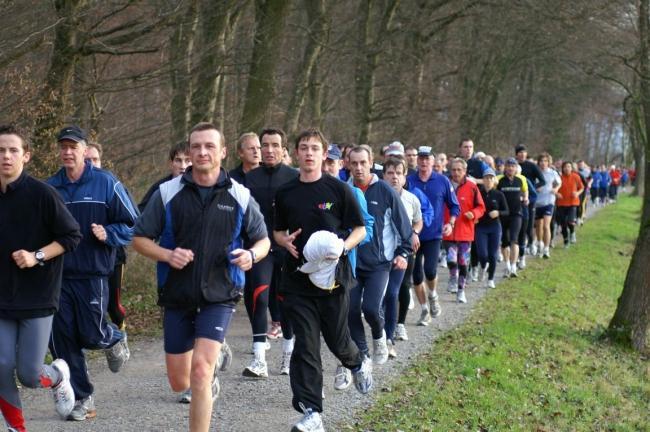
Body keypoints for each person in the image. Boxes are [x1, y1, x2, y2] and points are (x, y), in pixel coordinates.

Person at [133, 122, 270, 432]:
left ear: (222, 152)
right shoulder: (168, 192)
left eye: (209, 146)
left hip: (220, 294)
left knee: (199, 374)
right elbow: (140, 239)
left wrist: (251, 255)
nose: (202, 152)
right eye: (196, 146)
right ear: (189, 152)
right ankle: (210, 367)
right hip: (177, 293)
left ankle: (207, 373)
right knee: (179, 381)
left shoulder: (239, 194)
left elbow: (263, 240)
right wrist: (168, 255)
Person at [273, 128, 372, 432]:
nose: (309, 153)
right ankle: (312, 412)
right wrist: (284, 240)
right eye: (303, 147)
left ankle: (356, 362)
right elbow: (276, 231)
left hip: (333, 281)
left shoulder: (339, 190)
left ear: (324, 153)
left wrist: (344, 246)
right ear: (296, 153)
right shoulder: (285, 192)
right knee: (305, 345)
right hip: (297, 281)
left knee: (337, 340)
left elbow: (360, 229)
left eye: (315, 148)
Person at [47, 125, 138, 421]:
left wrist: (109, 233)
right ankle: (83, 398)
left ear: (86, 151)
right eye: (63, 146)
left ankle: (112, 338)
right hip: (58, 276)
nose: (68, 151)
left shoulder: (106, 183)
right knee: (63, 340)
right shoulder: (50, 188)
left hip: (93, 274)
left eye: (74, 146)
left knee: (91, 333)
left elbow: (134, 223)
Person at [0, 125, 82, 431]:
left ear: (26, 156)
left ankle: (58, 376)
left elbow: (72, 236)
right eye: (0, 150)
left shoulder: (43, 194)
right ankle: (16, 427)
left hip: (37, 295)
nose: (6, 156)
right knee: (1, 366)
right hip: (2, 296)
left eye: (12, 150)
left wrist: (36, 256)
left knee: (30, 375)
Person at [347, 146, 412, 364]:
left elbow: (404, 227)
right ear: (348, 164)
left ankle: (379, 336)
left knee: (372, 308)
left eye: (362, 163)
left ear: (371, 162)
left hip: (379, 264)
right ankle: (362, 352)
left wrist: (403, 252)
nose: (358, 168)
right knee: (351, 309)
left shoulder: (385, 191)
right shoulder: (342, 190)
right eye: (354, 163)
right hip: (351, 263)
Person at [242, 127, 299, 378]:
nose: (269, 150)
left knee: (286, 302)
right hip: (260, 246)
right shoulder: (250, 178)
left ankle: (287, 355)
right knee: (260, 298)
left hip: (288, 248)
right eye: (265, 145)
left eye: (275, 145)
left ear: (284, 149)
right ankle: (259, 359)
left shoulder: (293, 176)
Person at [382, 158, 433, 349]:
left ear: (404, 177)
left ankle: (398, 325)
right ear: (384, 175)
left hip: (404, 250)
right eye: (390, 173)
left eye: (398, 173)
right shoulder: (377, 196)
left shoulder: (412, 198)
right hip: (381, 251)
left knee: (401, 287)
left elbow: (418, 221)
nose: (394, 177)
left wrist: (415, 233)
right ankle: (384, 327)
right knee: (383, 291)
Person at [407, 146, 460, 325]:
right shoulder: (409, 180)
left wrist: (451, 223)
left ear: (433, 161)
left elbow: (454, 206)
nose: (423, 161)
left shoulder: (443, 181)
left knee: (430, 270)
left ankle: (433, 296)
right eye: (420, 158)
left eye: (427, 158)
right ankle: (424, 311)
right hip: (413, 235)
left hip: (434, 234)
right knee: (416, 275)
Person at [84, 143, 130, 333]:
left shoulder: (112, 185)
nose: (92, 164)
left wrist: (108, 233)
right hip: (84, 259)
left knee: (113, 305)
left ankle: (120, 331)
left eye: (95, 159)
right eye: (87, 160)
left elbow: (132, 223)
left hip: (113, 256)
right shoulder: (65, 186)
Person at [443, 159, 485, 303]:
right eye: (453, 170)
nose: (456, 173)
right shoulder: (445, 184)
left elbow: (481, 207)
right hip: (448, 231)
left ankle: (461, 290)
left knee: (462, 262)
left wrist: (473, 214)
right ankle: (453, 277)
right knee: (451, 259)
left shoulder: (472, 187)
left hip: (465, 232)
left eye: (459, 170)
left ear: (465, 171)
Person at [475, 168, 508, 288]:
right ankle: (483, 266)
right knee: (482, 254)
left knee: (493, 255)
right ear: (483, 180)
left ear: (494, 180)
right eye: (486, 178)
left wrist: (498, 212)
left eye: (491, 178)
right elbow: (473, 207)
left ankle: (490, 279)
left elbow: (506, 211)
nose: (488, 180)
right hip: (481, 227)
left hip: (494, 227)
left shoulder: (499, 194)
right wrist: (475, 216)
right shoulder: (478, 193)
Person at [496, 157, 528, 278]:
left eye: (513, 166)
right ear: (505, 167)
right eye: (508, 166)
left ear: (516, 168)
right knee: (504, 241)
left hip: (517, 214)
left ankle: (514, 266)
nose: (510, 168)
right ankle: (507, 265)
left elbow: (525, 191)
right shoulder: (499, 179)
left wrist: (526, 198)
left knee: (514, 239)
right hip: (503, 214)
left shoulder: (521, 179)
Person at [138, 141, 191, 212]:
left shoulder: (202, 187)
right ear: (171, 163)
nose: (183, 166)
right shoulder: (159, 188)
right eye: (178, 160)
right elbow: (140, 215)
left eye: (188, 160)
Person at [534, 153, 561, 259]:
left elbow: (559, 183)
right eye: (541, 161)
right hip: (537, 202)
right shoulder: (536, 173)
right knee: (539, 226)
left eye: (545, 161)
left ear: (549, 162)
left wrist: (556, 189)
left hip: (549, 201)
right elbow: (531, 184)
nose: (543, 163)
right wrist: (535, 188)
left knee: (546, 225)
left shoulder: (553, 173)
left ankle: (546, 248)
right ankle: (540, 243)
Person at [556, 161, 584, 247]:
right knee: (563, 223)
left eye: (569, 167)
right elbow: (553, 188)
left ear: (571, 168)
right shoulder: (559, 178)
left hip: (573, 202)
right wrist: (557, 194)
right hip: (561, 203)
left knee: (570, 221)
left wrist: (577, 193)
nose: (567, 168)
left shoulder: (576, 176)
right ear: (562, 168)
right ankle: (566, 241)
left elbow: (582, 188)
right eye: (565, 167)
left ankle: (572, 232)